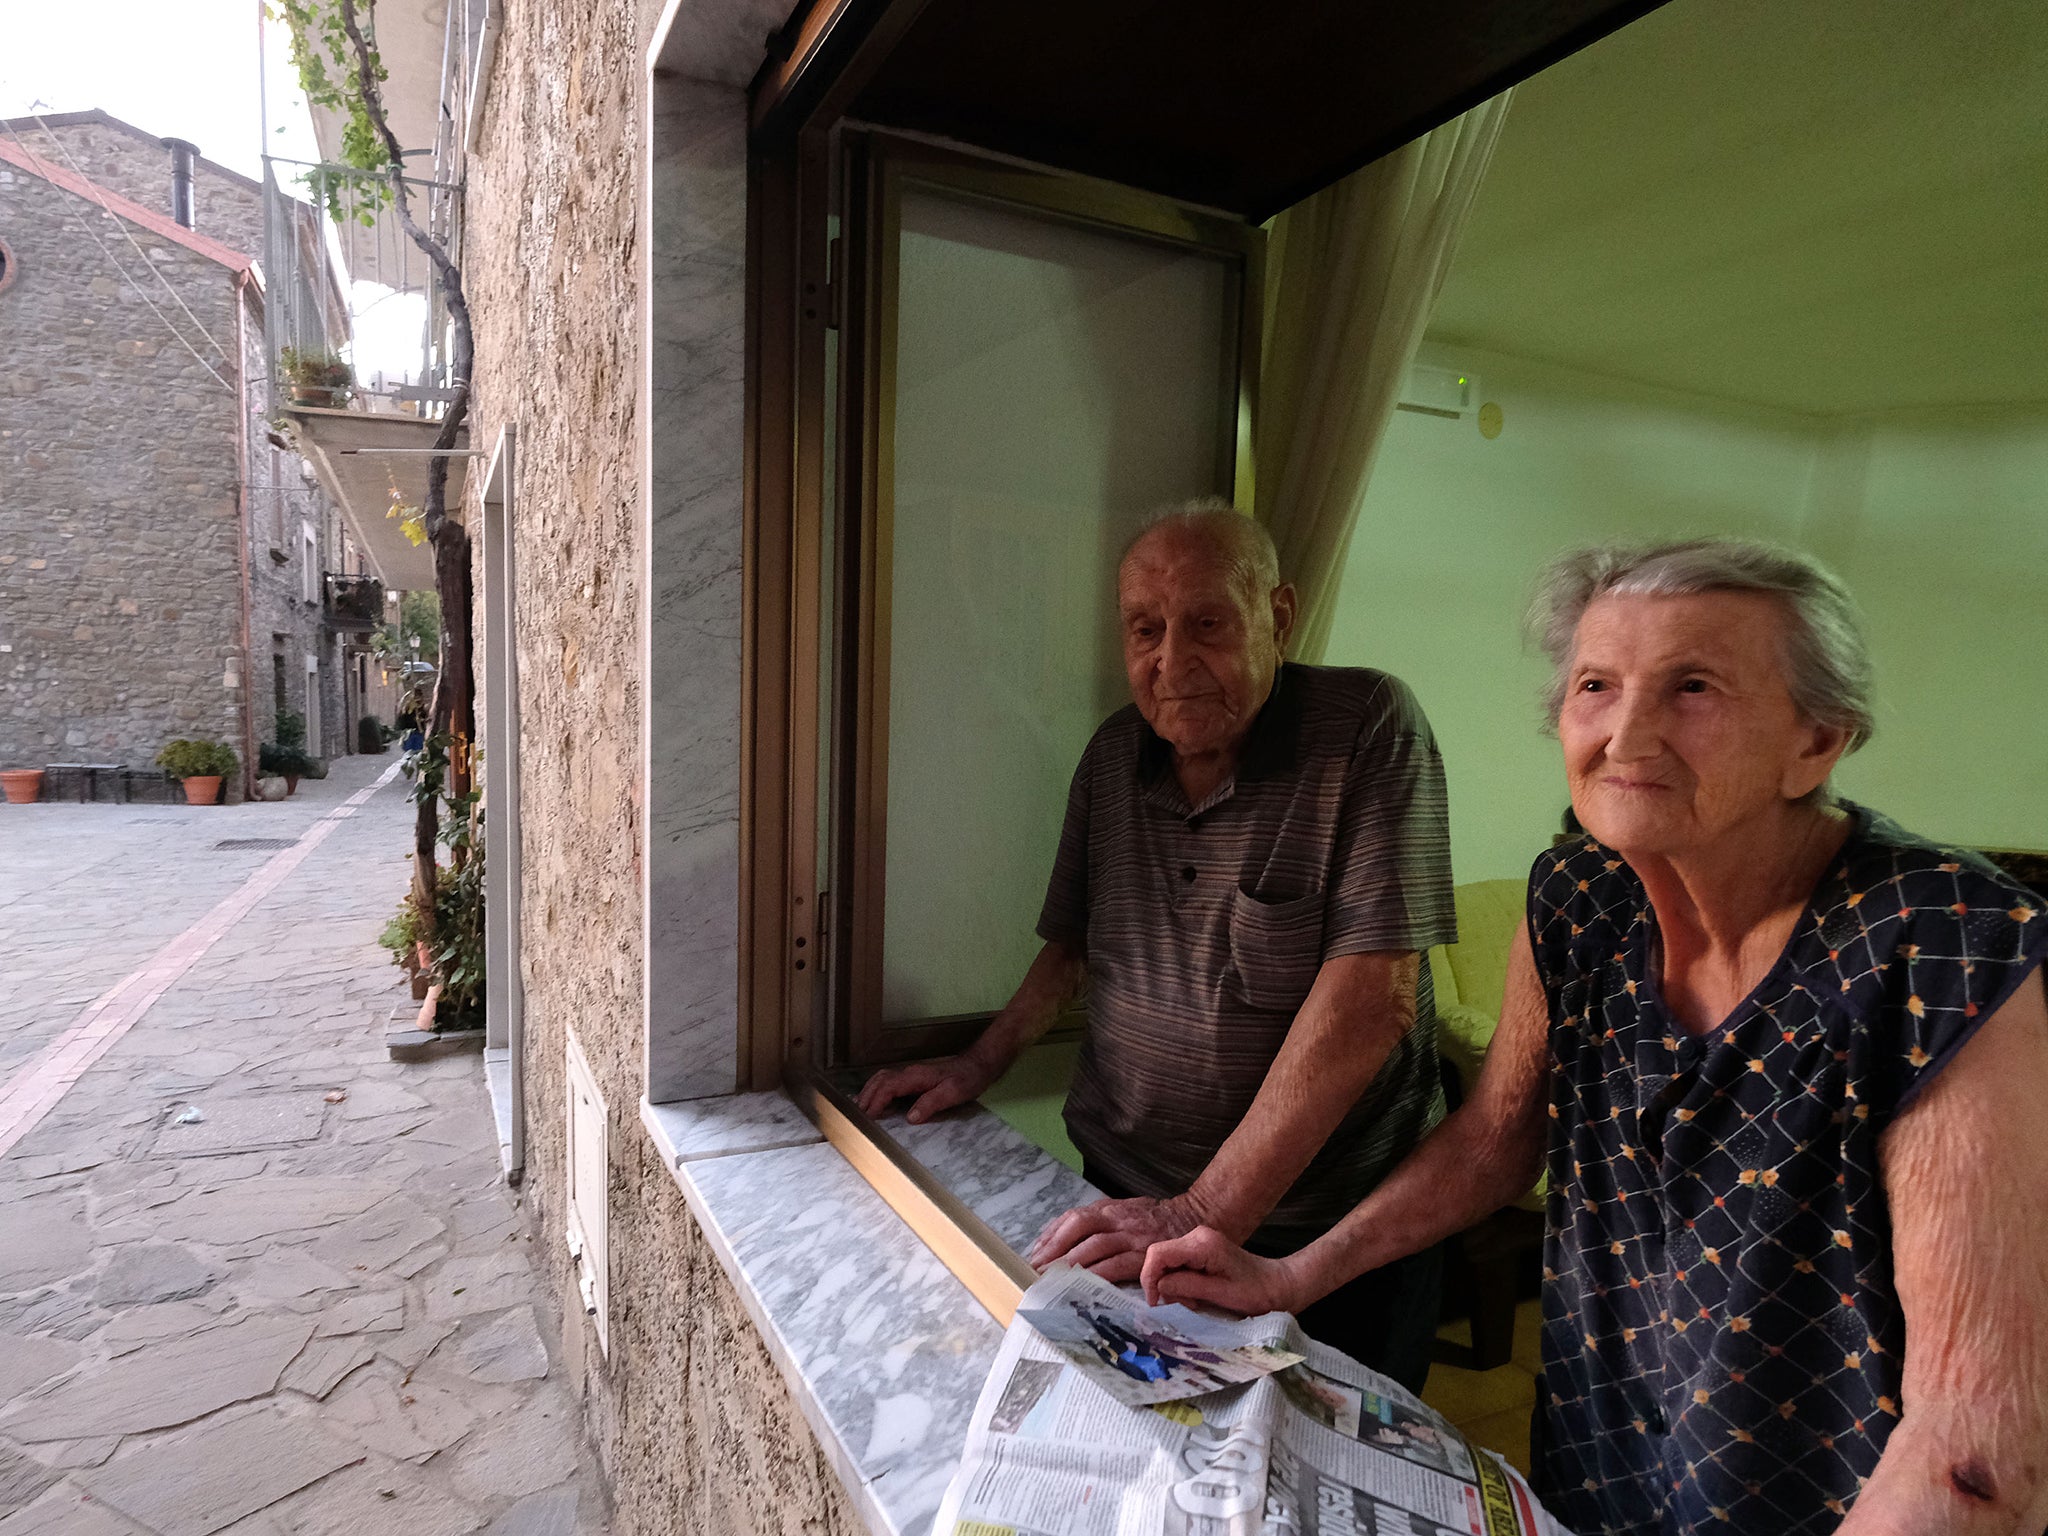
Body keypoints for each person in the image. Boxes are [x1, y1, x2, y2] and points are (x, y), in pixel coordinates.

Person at [1141, 538, 2048, 1536]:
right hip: (1600, 1442)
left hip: (1830, 1486)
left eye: (1691, 688)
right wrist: (1290, 1275)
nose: (1624, 733)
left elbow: (1971, 1452)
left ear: (1817, 741)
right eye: (1594, 685)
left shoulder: (1946, 944)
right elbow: (1493, 1138)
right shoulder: (1577, 897)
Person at [858, 499, 1459, 1391]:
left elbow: (1375, 1003)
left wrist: (1202, 1210)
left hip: (1326, 1233)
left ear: (1279, 615)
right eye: (1146, 629)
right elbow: (1070, 949)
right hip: (1128, 1194)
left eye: (1207, 623)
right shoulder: (1111, 758)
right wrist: (976, 1063)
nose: (1171, 663)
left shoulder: (1368, 727)